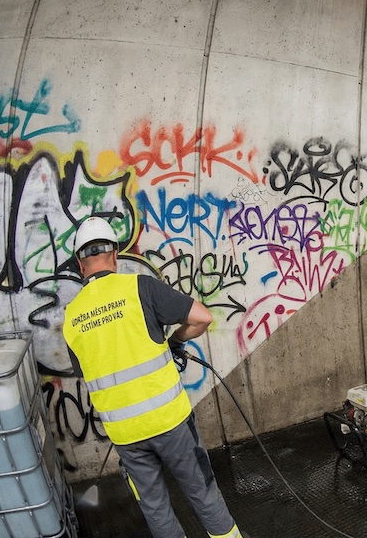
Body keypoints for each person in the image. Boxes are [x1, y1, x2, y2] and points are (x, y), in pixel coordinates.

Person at [62, 217, 242, 538]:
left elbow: (86, 370)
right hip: (170, 422)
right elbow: (202, 317)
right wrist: (173, 342)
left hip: (126, 435)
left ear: (80, 262)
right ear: (115, 254)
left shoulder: (72, 317)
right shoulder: (139, 287)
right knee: (202, 492)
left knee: (155, 508)